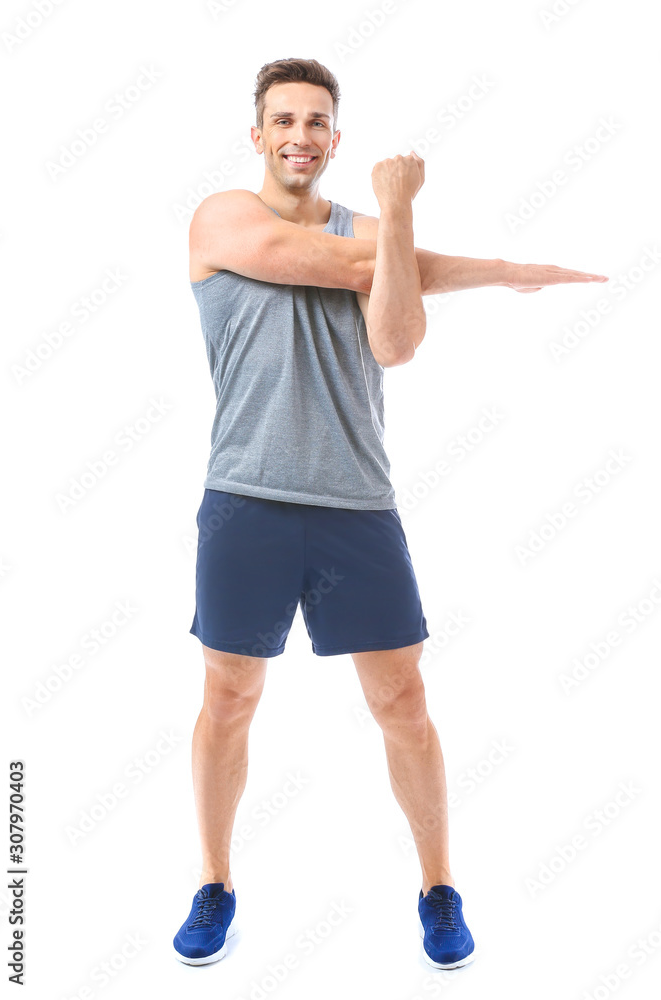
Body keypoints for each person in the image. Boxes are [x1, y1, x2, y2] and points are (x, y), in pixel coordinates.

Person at [172, 57, 608, 970]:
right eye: (282, 119)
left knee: (404, 704)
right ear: (257, 135)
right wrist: (465, 261)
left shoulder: (379, 228)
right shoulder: (222, 218)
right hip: (244, 500)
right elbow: (324, 262)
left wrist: (405, 225)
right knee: (228, 696)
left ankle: (437, 888)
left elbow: (396, 340)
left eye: (317, 121)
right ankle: (214, 882)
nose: (299, 134)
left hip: (355, 505)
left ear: (337, 139)